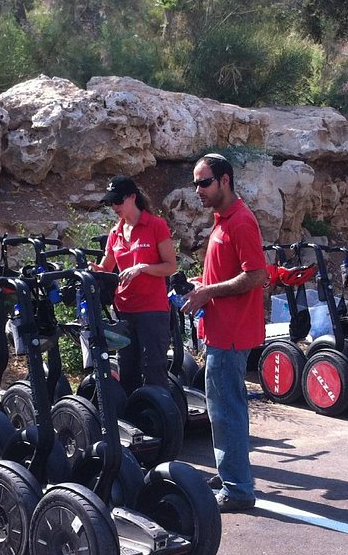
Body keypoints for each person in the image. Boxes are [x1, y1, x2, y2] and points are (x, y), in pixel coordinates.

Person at [181, 153, 268, 512]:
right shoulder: (223, 220)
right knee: (226, 408)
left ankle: (237, 490)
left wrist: (208, 292)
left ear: (225, 181)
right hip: (220, 329)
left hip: (231, 333)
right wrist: (200, 284)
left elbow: (256, 275)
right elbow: (228, 275)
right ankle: (231, 472)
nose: (198, 190)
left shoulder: (241, 222)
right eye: (196, 183)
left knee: (226, 410)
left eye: (204, 182)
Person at [95, 176, 177, 393]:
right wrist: (89, 270)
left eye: (117, 201)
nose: (114, 207)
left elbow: (170, 266)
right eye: (110, 203)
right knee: (127, 370)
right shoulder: (115, 233)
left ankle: (160, 422)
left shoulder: (156, 225)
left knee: (153, 370)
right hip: (124, 311)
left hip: (152, 311)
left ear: (132, 197)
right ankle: (132, 421)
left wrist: (142, 268)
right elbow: (105, 268)